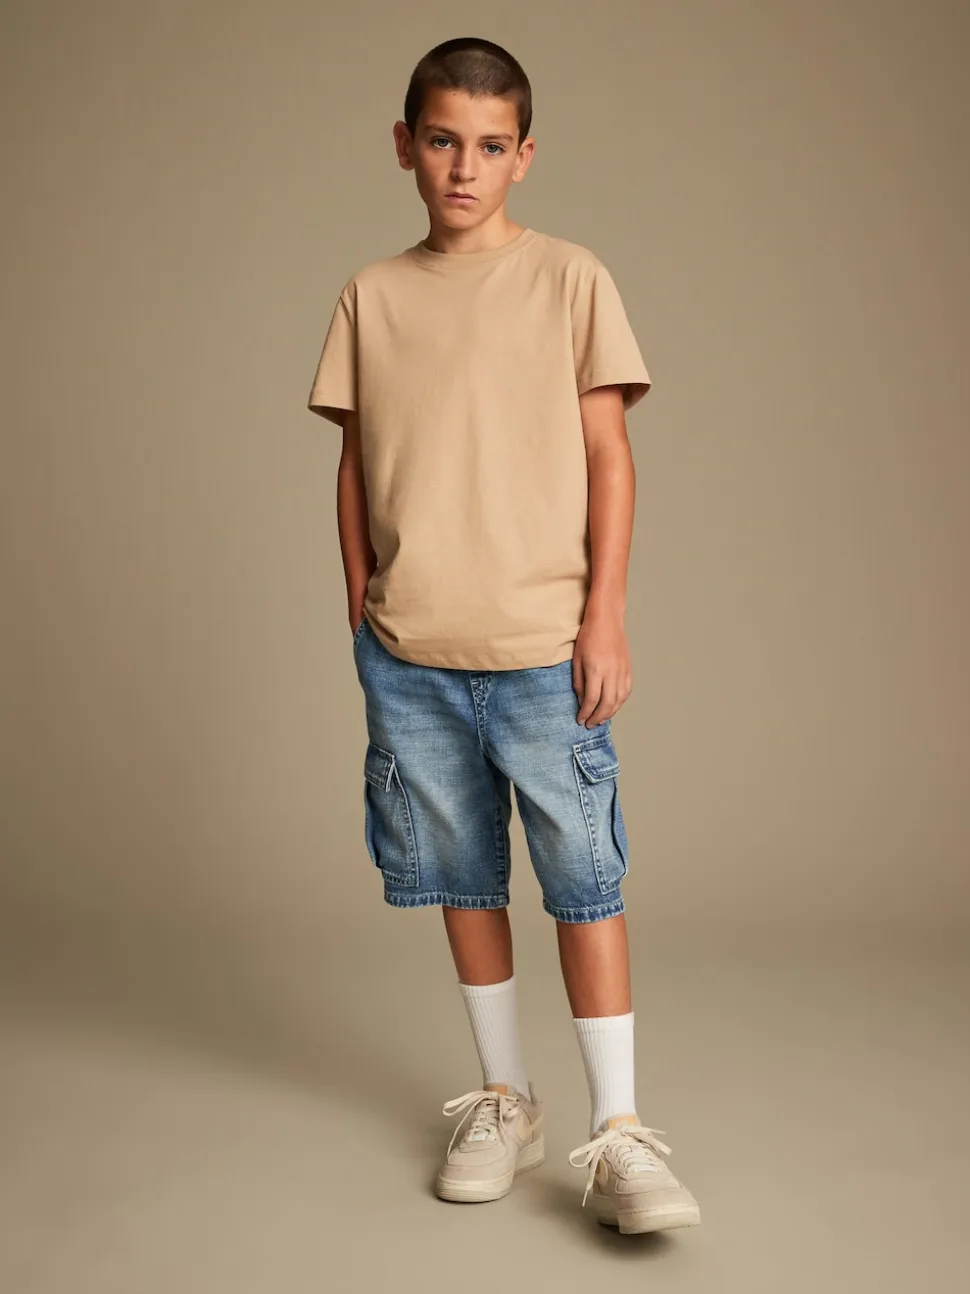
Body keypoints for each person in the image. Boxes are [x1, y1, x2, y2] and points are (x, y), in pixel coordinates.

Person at [306, 36, 700, 1237]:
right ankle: (503, 1097)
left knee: (583, 878)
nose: (462, 168)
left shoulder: (570, 279)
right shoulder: (372, 296)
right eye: (441, 141)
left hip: (541, 647)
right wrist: (362, 601)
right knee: (459, 873)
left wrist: (604, 614)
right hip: (412, 656)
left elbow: (608, 457)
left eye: (488, 146)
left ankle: (619, 1129)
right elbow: (356, 460)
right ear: (404, 146)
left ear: (524, 155)